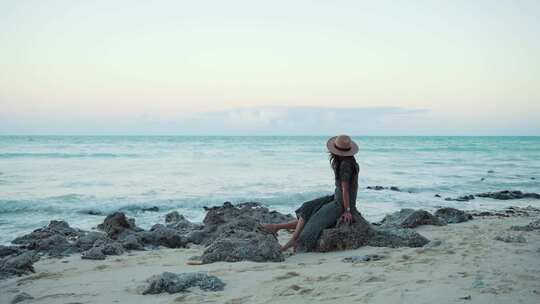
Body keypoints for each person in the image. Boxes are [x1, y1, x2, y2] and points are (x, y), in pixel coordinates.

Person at [264, 134, 360, 252]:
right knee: (308, 207)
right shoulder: (345, 161)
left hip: (341, 204)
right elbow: (342, 189)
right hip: (336, 197)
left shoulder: (345, 165)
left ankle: (294, 239)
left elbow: (346, 189)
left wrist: (347, 210)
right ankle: (277, 227)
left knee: (312, 224)